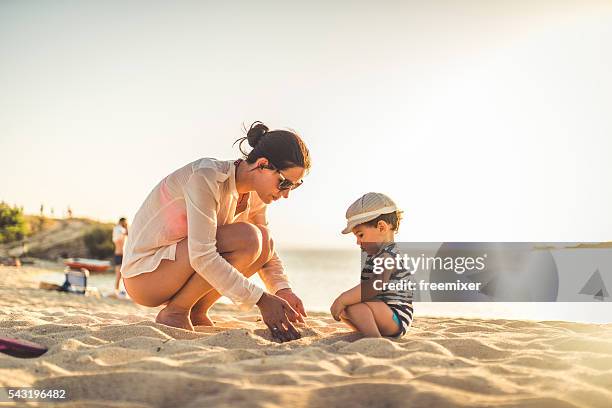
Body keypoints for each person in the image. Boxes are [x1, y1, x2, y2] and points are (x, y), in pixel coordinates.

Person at [121, 122, 310, 342]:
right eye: (284, 183)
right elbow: (203, 254)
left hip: (177, 268)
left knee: (264, 240)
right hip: (144, 276)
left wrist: (281, 290)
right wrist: (262, 300)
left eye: (294, 186)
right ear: (262, 164)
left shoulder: (256, 194)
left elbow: (266, 251)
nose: (285, 194)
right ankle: (176, 311)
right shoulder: (206, 176)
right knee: (248, 238)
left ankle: (195, 311)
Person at [330, 192, 413, 338]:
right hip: (382, 312)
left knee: (353, 305)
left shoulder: (388, 255)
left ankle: (374, 338)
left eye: (360, 235)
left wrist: (343, 298)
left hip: (396, 317)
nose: (357, 242)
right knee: (347, 308)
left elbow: (375, 285)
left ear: (381, 227)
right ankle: (369, 331)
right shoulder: (374, 254)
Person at [112, 217, 128, 297]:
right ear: (122, 222)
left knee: (120, 275)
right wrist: (126, 227)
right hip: (120, 255)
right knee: (119, 275)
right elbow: (127, 233)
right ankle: (117, 292)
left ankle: (118, 291)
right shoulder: (120, 229)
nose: (126, 224)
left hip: (119, 255)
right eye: (125, 222)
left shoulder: (116, 229)